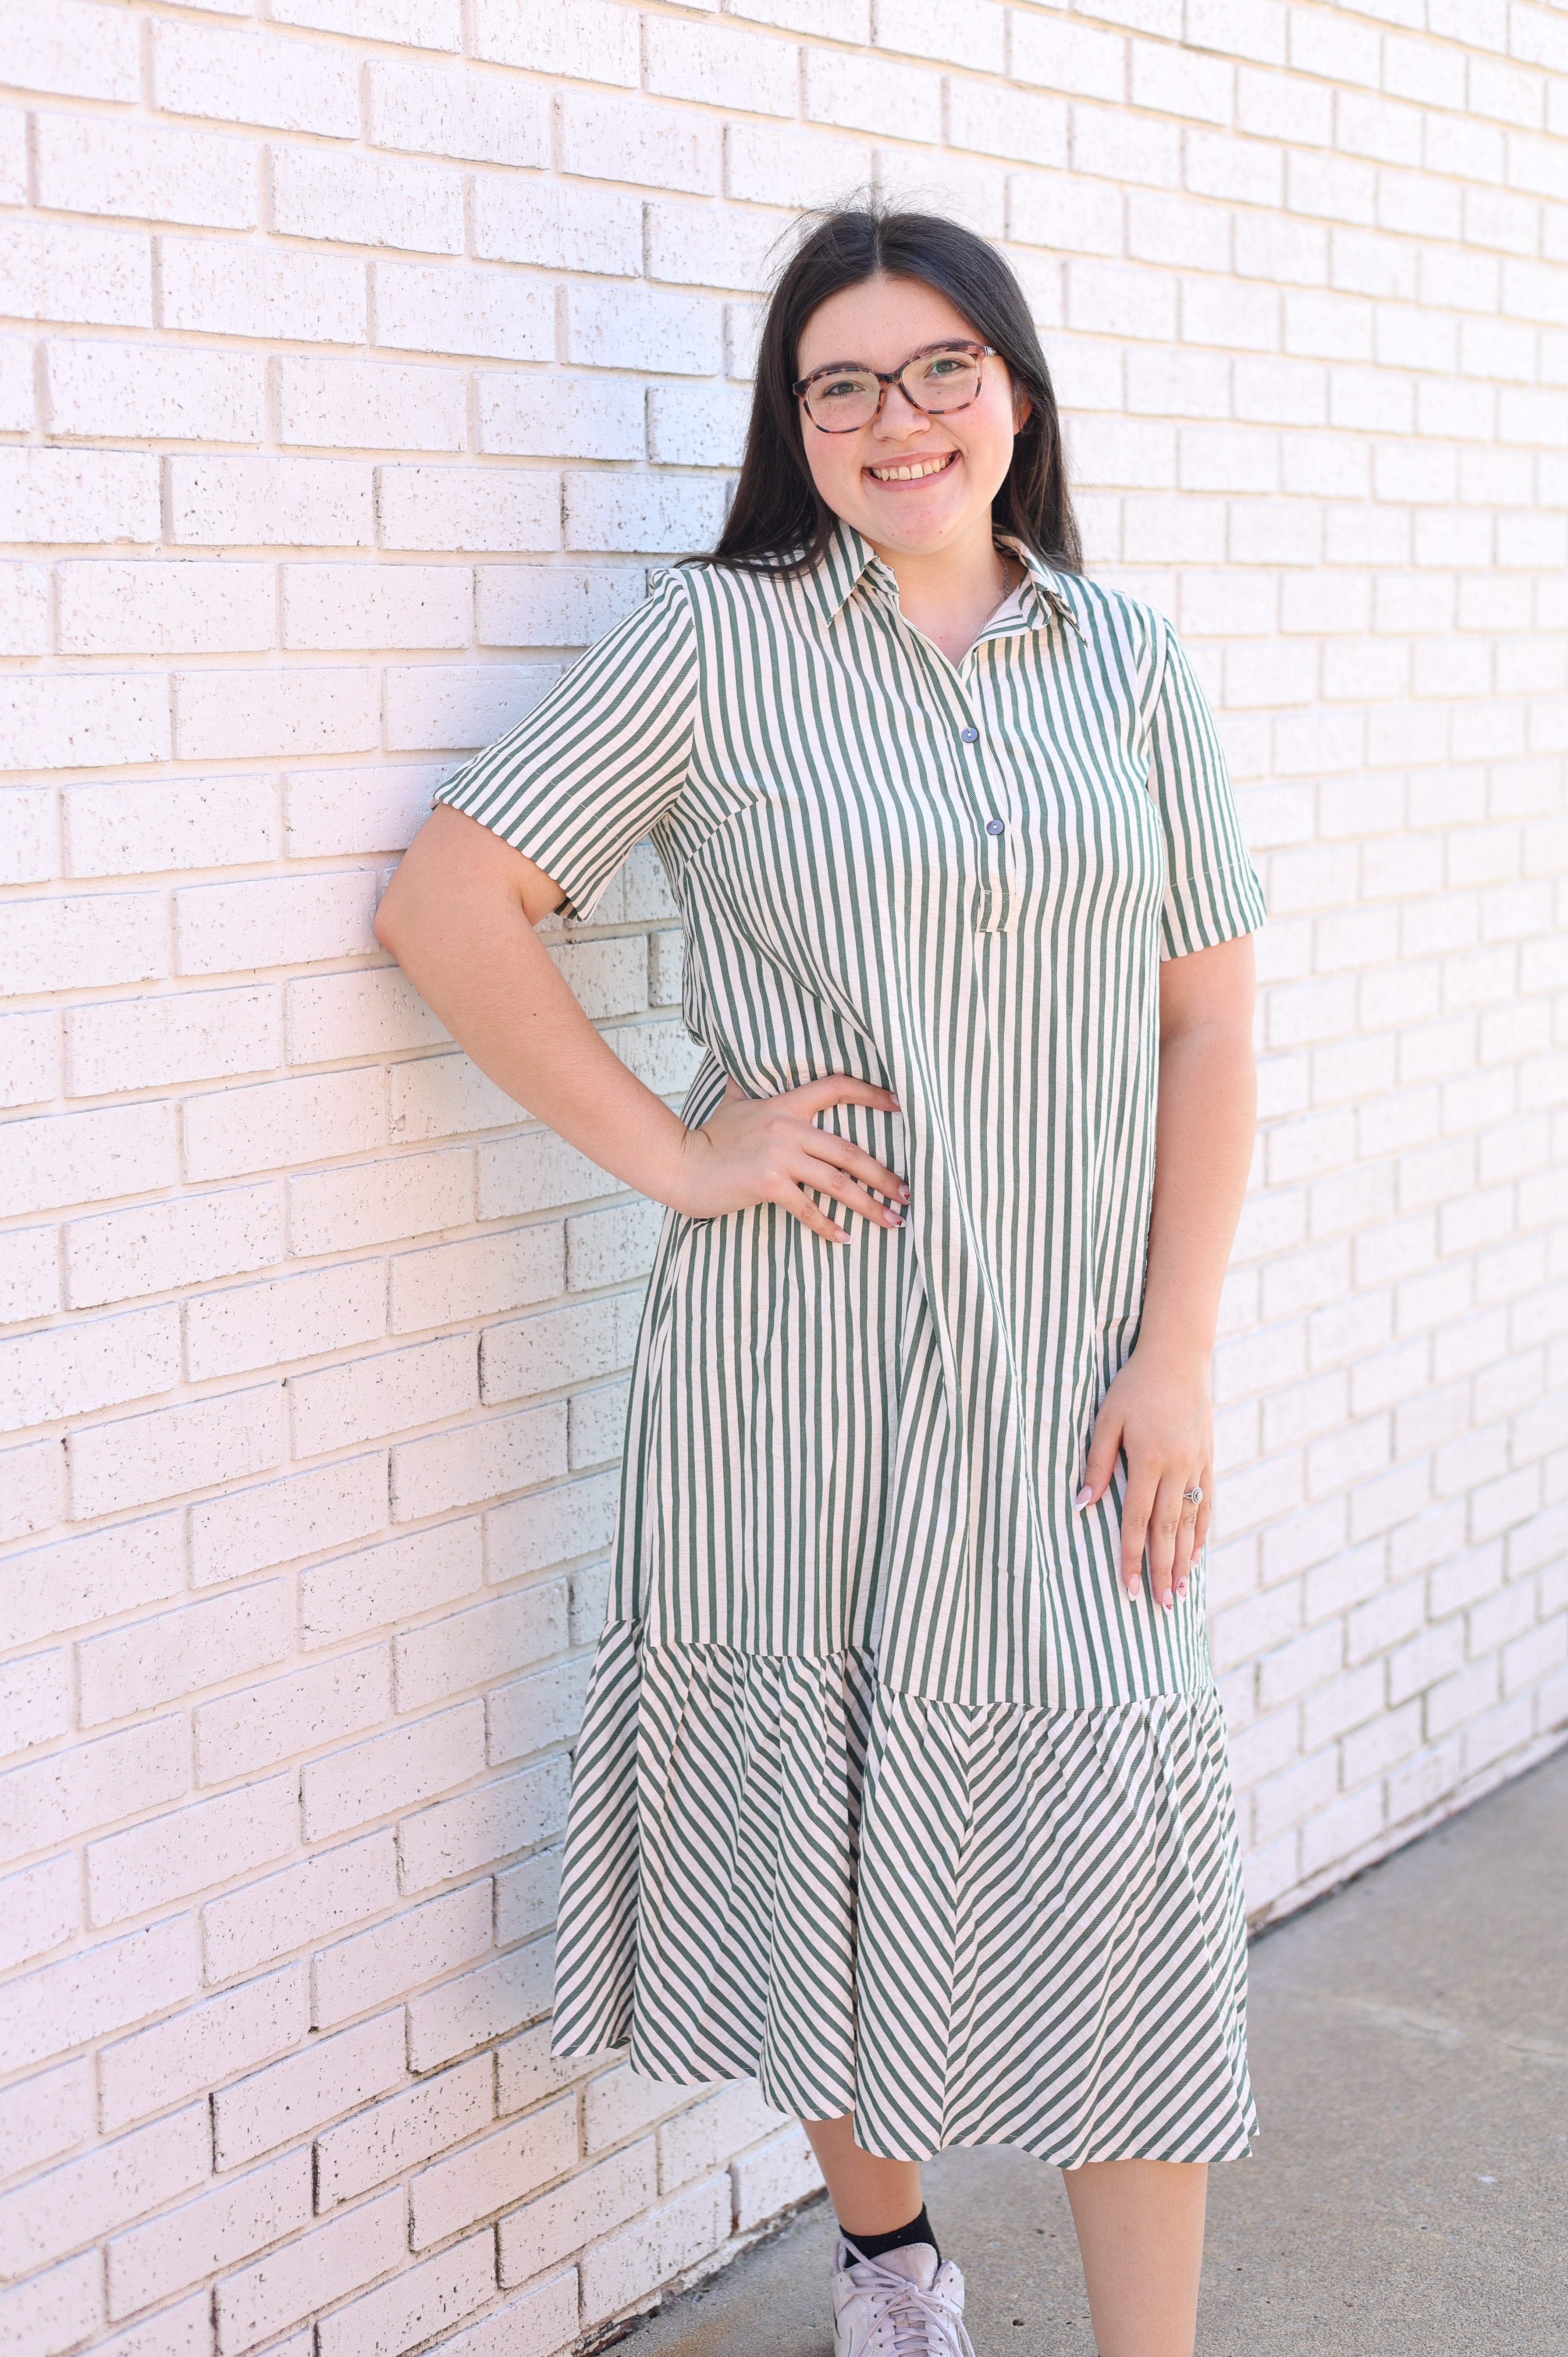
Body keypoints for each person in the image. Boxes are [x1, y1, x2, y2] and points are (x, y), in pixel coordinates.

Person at [374, 200, 1266, 2357]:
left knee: (1118, 1884)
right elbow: (451, 905)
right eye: (842, 381)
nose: (897, 416)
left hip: (1067, 1378)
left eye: (941, 365)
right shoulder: (715, 644)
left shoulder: (1129, 664)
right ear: (798, 425)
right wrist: (683, 1152)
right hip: (797, 1359)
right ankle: (891, 2273)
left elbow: (1209, 1027)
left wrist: (1176, 1358)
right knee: (841, 1831)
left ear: (1016, 391)